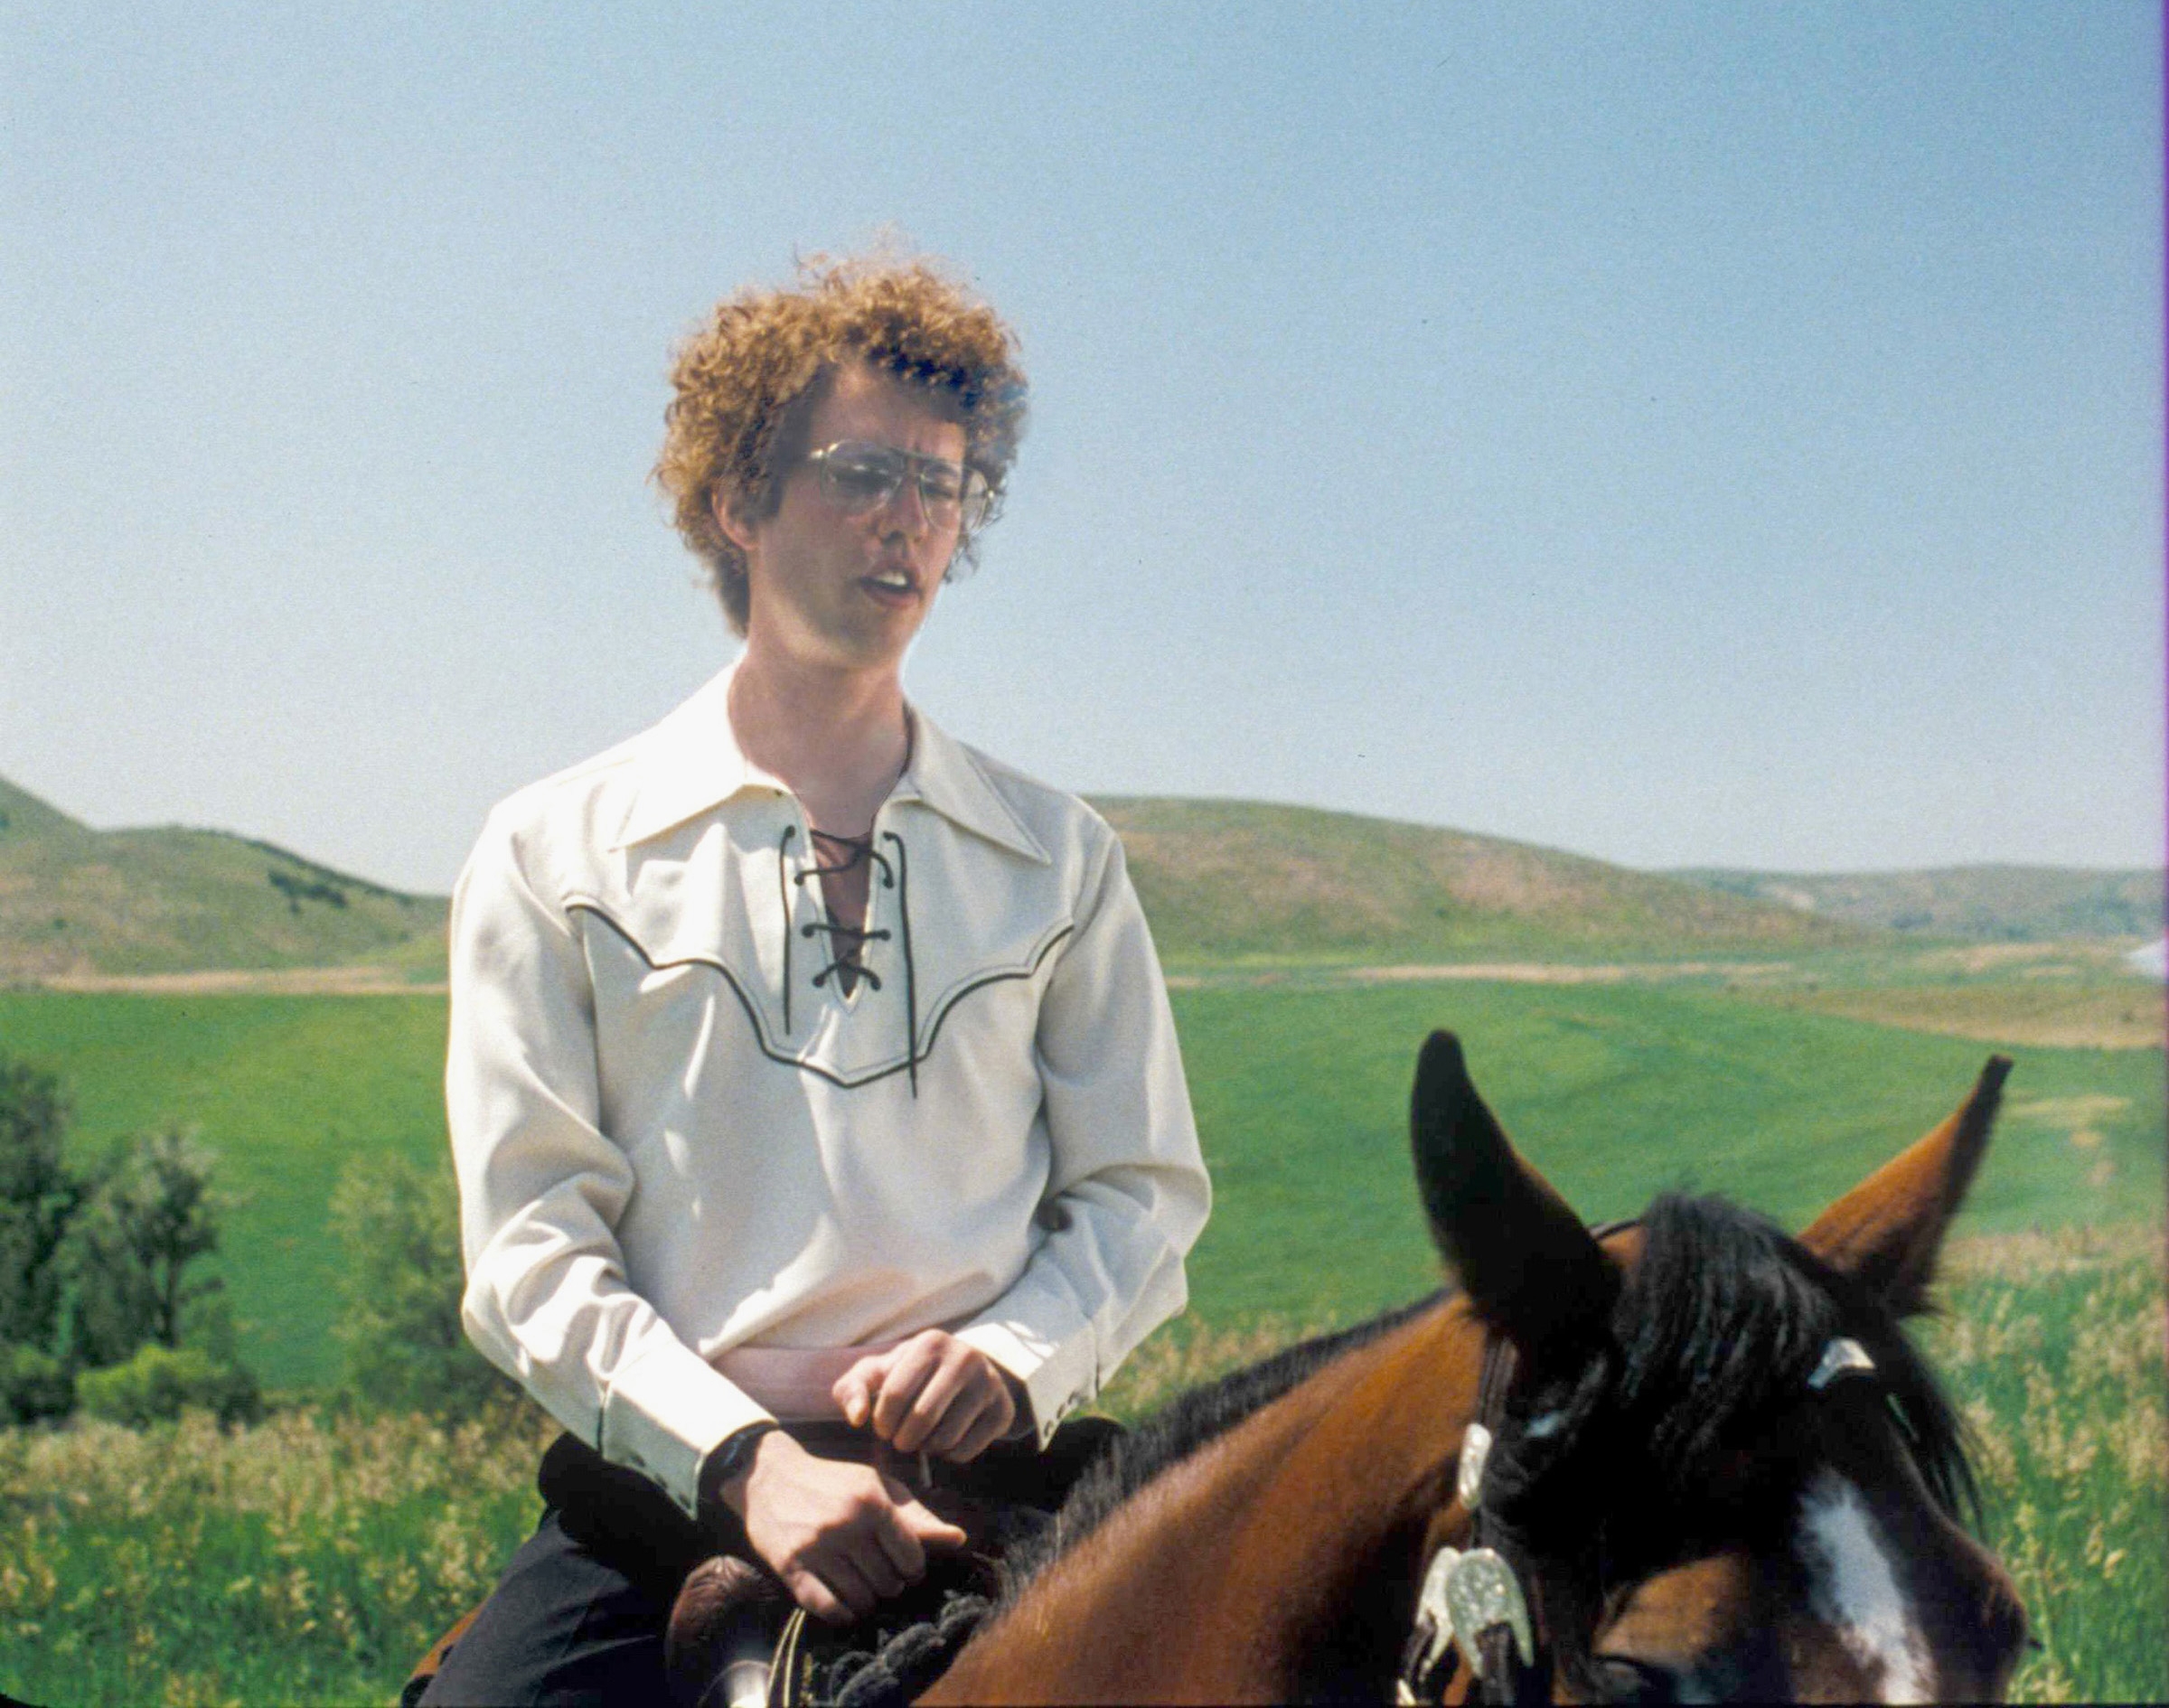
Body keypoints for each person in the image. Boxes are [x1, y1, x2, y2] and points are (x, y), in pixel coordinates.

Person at [420, 252, 1211, 1705]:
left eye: (943, 484)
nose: (910, 517)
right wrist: (744, 1463)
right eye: (861, 473)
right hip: (667, 1498)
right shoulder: (555, 850)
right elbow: (528, 1248)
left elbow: (1143, 1195)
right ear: (739, 499)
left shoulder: (1056, 856)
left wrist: (1013, 1361)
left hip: (1007, 1481)